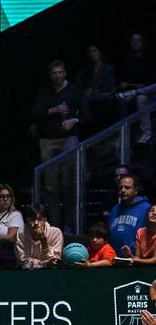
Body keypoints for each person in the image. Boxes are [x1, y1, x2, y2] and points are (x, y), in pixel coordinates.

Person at [32, 59, 92, 230]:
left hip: (68, 139)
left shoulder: (74, 91)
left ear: (65, 73)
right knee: (50, 185)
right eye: (54, 73)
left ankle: (69, 224)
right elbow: (34, 112)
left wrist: (75, 119)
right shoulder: (45, 92)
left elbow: (88, 115)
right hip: (48, 140)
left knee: (68, 182)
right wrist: (53, 110)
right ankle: (54, 225)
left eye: (59, 72)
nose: (57, 76)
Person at [109, 175, 151, 255]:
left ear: (135, 190)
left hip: (137, 258)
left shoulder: (147, 208)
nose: (123, 190)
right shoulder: (115, 209)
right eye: (120, 188)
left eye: (127, 187)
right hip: (115, 257)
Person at [16, 204, 63, 269]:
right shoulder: (21, 233)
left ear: (45, 220)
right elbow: (24, 262)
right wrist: (45, 264)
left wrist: (44, 242)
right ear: (27, 220)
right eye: (32, 219)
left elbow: (55, 261)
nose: (36, 223)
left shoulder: (55, 233)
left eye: (39, 219)